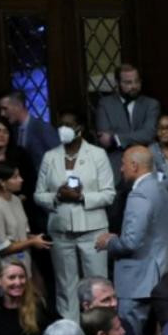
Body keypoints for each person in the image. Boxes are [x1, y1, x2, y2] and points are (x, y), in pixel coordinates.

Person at [34, 110, 115, 320]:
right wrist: (58, 195)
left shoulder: (97, 154)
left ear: (80, 128)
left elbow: (109, 194)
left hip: (93, 229)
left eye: (69, 124)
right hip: (61, 230)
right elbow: (38, 195)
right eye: (61, 124)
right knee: (65, 284)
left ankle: (99, 326)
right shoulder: (50, 156)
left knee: (97, 282)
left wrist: (81, 197)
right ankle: (70, 330)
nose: (64, 129)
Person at [94, 146, 168, 335]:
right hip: (158, 273)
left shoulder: (140, 194)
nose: (121, 169)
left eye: (123, 164)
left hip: (137, 280)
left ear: (135, 166)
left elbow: (130, 243)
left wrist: (109, 243)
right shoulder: (160, 187)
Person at [0, 162, 51, 279]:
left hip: (25, 263)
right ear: (2, 182)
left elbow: (23, 234)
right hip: (7, 269)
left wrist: (35, 238)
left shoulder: (16, 200)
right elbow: (2, 248)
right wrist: (32, 242)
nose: (21, 179)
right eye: (15, 177)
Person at [95, 64, 160, 181]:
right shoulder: (105, 104)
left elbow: (149, 134)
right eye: (128, 82)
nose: (134, 86)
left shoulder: (151, 104)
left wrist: (116, 139)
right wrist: (136, 137)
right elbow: (104, 140)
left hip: (145, 166)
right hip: (117, 167)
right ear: (118, 83)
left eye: (137, 81)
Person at [0, 89, 61, 170]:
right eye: (0, 109)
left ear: (19, 106)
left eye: (5, 109)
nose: (2, 114)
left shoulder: (42, 128)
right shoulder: (13, 130)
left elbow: (60, 157)